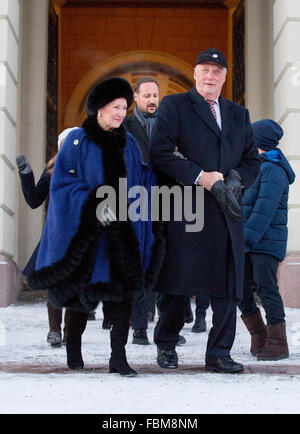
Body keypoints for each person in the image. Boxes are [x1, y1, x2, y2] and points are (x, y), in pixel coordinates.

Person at [28, 77, 165, 376]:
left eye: (124, 108)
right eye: (115, 107)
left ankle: (118, 357)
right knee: (80, 298)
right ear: (99, 109)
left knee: (122, 297)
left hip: (121, 234)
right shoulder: (77, 141)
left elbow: (140, 181)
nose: (120, 113)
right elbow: (63, 185)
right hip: (88, 234)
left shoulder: (128, 141)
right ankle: (73, 350)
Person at [150, 48, 260, 373]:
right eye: (205, 70)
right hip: (188, 210)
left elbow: (253, 160)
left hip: (227, 212)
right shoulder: (175, 106)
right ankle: (167, 344)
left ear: (225, 77)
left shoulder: (239, 114)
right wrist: (202, 177)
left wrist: (238, 180)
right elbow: (160, 153)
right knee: (180, 284)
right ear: (195, 73)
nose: (211, 76)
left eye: (217, 71)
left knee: (229, 286)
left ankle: (219, 353)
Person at [239, 119, 295, 361]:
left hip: (266, 242)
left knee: (266, 288)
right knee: (239, 288)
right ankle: (259, 334)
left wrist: (245, 241)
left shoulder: (274, 169)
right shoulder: (255, 166)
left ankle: (277, 342)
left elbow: (264, 210)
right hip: (249, 240)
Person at [16, 128, 77, 347]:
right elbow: (34, 200)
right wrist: (26, 174)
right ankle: (54, 331)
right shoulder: (51, 173)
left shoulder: (90, 172)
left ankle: (71, 333)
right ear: (61, 146)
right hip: (55, 236)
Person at [123, 77, 160, 345]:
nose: (152, 100)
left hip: (164, 200)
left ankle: (159, 318)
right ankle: (138, 328)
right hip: (133, 201)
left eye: (155, 95)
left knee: (161, 261)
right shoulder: (124, 126)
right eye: (146, 95)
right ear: (136, 97)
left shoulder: (168, 124)